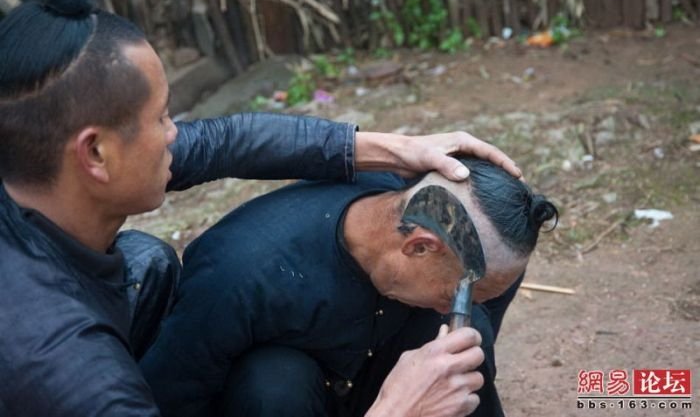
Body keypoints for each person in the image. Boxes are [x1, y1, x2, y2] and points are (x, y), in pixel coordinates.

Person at [0, 0, 523, 417]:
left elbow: (226, 141)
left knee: (148, 261)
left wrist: (392, 148)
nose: (176, 134)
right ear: (95, 154)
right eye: (161, 118)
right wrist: (395, 408)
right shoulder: (76, 375)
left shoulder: (31, 174)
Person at [140, 157, 558, 417]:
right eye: (459, 293)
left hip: (374, 386)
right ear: (419, 247)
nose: (460, 306)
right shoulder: (237, 276)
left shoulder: (474, 252)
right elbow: (172, 401)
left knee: (464, 344)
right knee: (271, 384)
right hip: (285, 402)